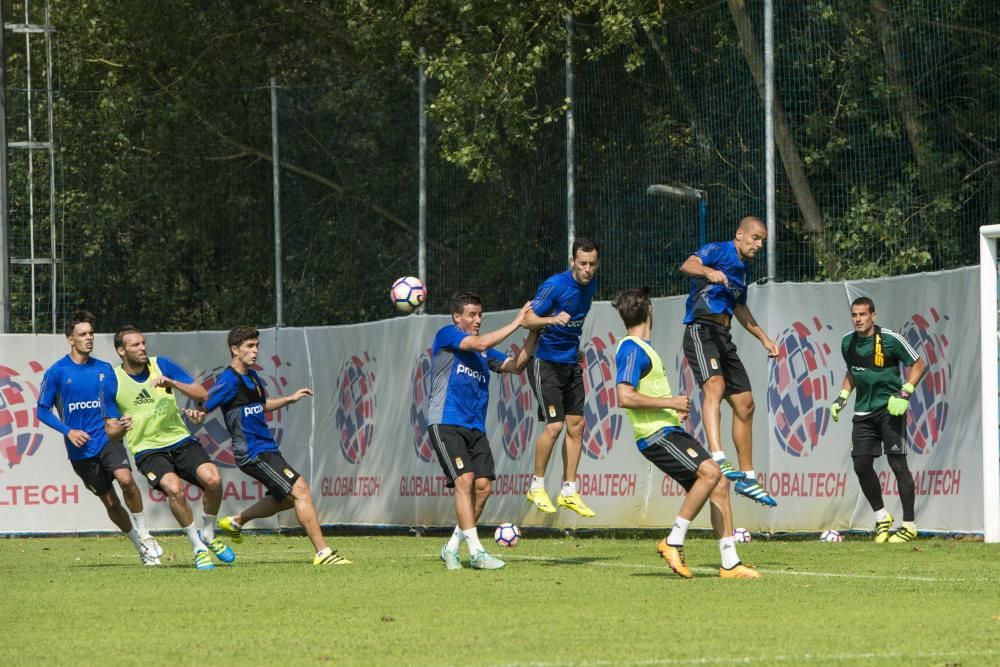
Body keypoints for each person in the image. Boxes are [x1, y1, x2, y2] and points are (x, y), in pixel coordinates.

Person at [613, 288, 760, 579]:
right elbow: (625, 397)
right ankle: (673, 540)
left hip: (667, 429)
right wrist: (671, 402)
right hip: (656, 436)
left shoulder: (643, 348)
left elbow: (641, 394)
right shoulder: (632, 348)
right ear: (650, 310)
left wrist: (672, 411)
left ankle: (730, 562)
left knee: (718, 482)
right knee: (710, 472)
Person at [202, 326, 351, 566]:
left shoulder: (251, 376)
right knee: (300, 490)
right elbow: (206, 404)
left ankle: (237, 521)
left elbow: (262, 405)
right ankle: (323, 553)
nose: (255, 351)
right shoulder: (228, 379)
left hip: (267, 448)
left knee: (286, 498)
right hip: (252, 453)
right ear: (234, 349)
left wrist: (289, 399)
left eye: (257, 346)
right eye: (249, 346)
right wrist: (197, 412)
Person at [104, 326, 236, 571]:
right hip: (147, 450)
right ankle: (198, 546)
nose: (142, 348)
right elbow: (110, 430)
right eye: (135, 345)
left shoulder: (162, 364)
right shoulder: (113, 380)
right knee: (174, 489)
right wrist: (122, 428)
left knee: (214, 480)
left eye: (143, 343)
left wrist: (173, 382)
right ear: (121, 351)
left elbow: (202, 394)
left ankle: (208, 533)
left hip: (181, 440)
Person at [36, 310, 162, 565]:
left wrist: (123, 419)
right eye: (82, 334)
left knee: (126, 479)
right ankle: (141, 548)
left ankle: (145, 534)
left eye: (91, 333)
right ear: (70, 339)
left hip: (107, 438)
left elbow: (115, 403)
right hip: (80, 450)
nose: (88, 338)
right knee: (110, 501)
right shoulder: (57, 372)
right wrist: (67, 431)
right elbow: (41, 410)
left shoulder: (105, 369)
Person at [431, 293, 537, 570]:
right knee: (464, 481)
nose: (477, 320)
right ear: (457, 317)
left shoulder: (485, 354)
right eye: (471, 315)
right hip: (446, 422)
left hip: (475, 427)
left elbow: (515, 366)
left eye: (480, 315)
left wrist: (534, 332)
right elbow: (479, 342)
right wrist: (517, 322)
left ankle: (451, 547)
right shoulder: (447, 335)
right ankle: (476, 552)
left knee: (483, 487)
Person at [680, 215, 778, 507]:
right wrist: (708, 272)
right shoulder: (719, 250)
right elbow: (688, 265)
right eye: (755, 238)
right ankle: (718, 457)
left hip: (723, 336)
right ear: (740, 234)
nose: (759, 244)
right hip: (701, 330)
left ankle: (747, 477)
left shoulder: (741, 271)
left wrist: (764, 338)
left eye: (763, 241)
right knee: (715, 387)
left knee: (746, 404)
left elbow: (740, 308)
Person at [830, 296, 926, 543]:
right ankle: (882, 516)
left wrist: (905, 392)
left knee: (898, 466)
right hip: (863, 413)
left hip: (890, 410)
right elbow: (853, 372)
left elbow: (919, 364)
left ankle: (909, 525)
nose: (858, 319)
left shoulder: (890, 339)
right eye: (854, 315)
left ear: (874, 315)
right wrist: (841, 397)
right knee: (861, 465)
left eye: (863, 314)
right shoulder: (846, 343)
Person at [522, 237, 600, 518]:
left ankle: (569, 490)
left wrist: (574, 347)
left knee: (576, 426)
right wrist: (550, 320)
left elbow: (574, 322)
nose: (587, 269)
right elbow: (527, 319)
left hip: (570, 362)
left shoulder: (591, 285)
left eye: (592, 264)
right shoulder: (555, 285)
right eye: (582, 264)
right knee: (554, 427)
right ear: (572, 262)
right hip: (545, 363)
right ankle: (537, 485)